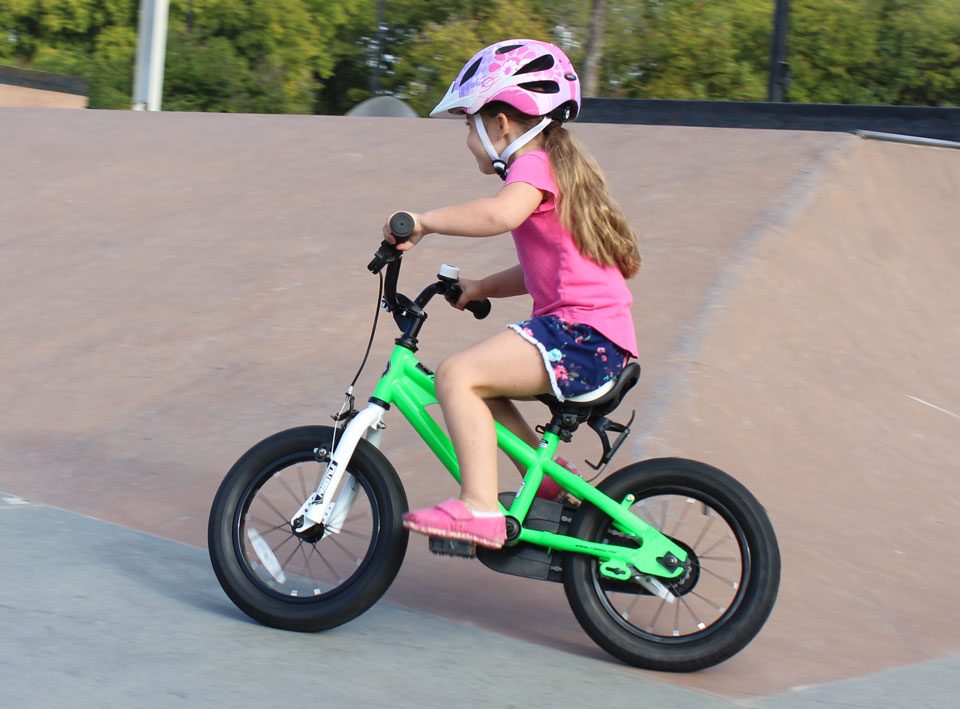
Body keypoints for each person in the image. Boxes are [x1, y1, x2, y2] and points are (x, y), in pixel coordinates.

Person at [382, 39, 640, 549]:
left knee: (458, 374)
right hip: (591, 340)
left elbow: (500, 216)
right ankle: (546, 480)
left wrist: (425, 222)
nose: (467, 139)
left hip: (580, 340)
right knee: (485, 387)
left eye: (468, 125)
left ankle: (479, 508)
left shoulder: (532, 166)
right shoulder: (553, 171)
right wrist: (480, 288)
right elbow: (537, 269)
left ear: (501, 124)